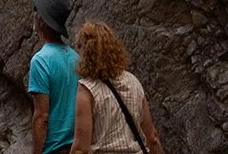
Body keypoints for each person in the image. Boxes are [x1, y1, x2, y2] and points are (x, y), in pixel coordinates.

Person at [70, 20, 165, 154]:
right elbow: (152, 137)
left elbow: (80, 149)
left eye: (79, 47)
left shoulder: (87, 89)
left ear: (86, 53)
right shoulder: (133, 82)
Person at [27, 0, 81, 154]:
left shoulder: (40, 61)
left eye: (37, 12)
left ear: (42, 21)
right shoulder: (76, 58)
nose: (34, 15)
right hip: (77, 145)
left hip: (54, 148)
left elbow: (42, 117)